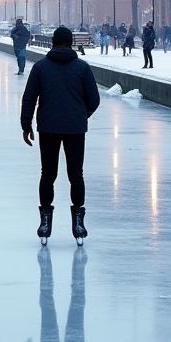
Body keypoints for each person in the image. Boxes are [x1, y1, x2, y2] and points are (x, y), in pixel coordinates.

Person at [21, 26, 100, 244]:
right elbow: (94, 99)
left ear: (54, 42)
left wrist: (26, 125)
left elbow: (29, 98)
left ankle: (45, 221)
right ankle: (78, 222)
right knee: (76, 174)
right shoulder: (82, 68)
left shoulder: (40, 67)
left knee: (48, 174)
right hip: (75, 128)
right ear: (71, 42)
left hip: (48, 127)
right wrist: (82, 115)